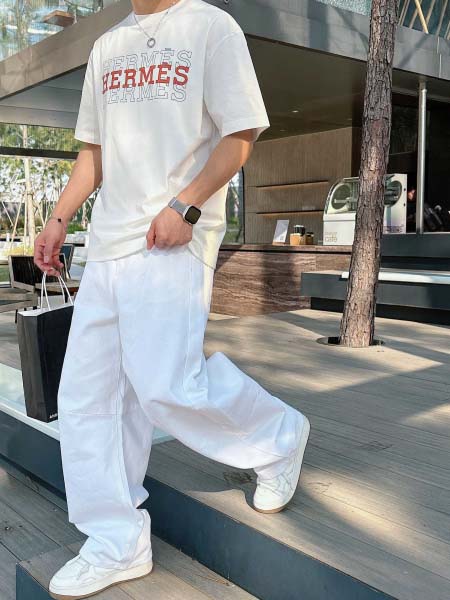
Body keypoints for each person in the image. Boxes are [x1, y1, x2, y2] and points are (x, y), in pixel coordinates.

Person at [34, 1, 310, 598]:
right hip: (107, 245)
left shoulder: (210, 26)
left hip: (171, 236)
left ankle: (279, 436)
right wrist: (58, 218)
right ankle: (116, 541)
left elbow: (240, 135)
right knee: (87, 397)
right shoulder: (108, 46)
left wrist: (186, 205)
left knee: (166, 385)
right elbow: (94, 154)